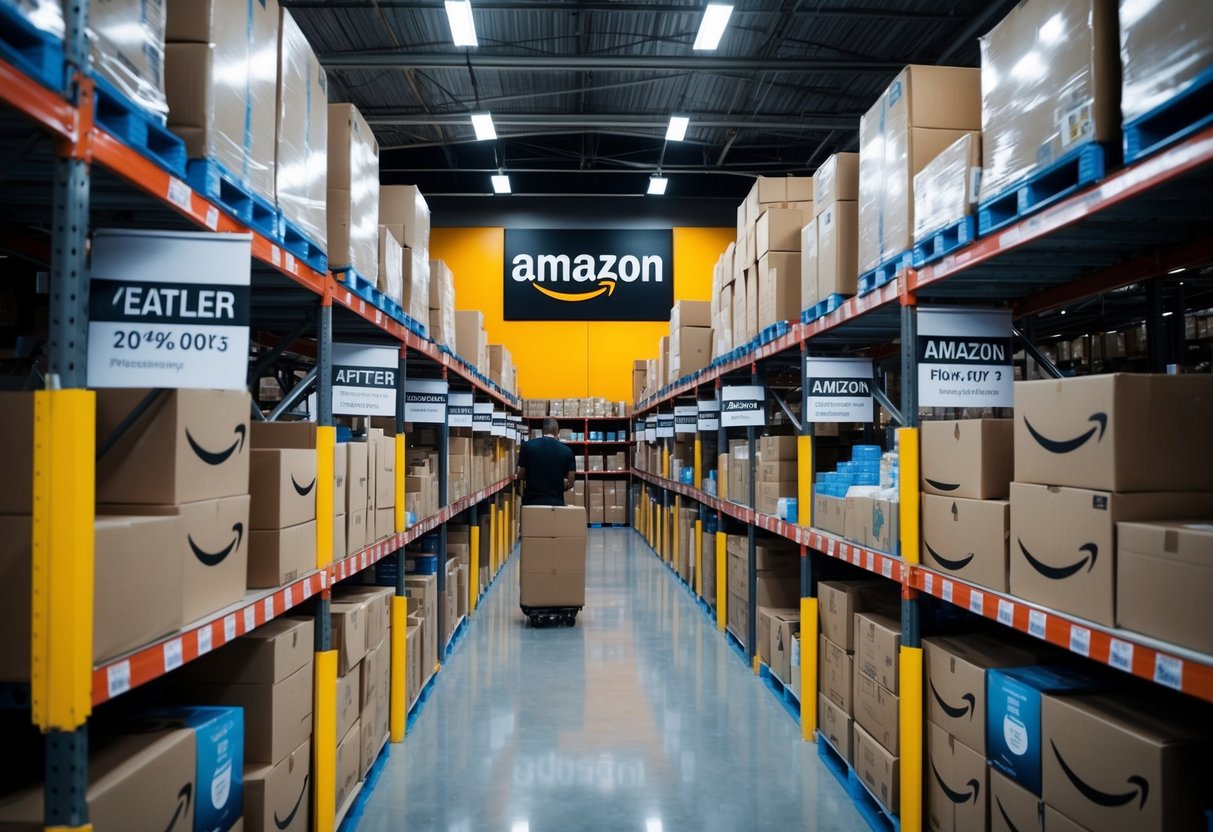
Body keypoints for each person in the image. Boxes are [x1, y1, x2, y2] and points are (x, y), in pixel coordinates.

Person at [515, 417, 576, 506]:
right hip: (556, 504)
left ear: (542, 430)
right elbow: (571, 482)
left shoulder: (528, 446)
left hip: (532, 504)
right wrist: (558, 489)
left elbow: (520, 475)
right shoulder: (567, 451)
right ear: (557, 432)